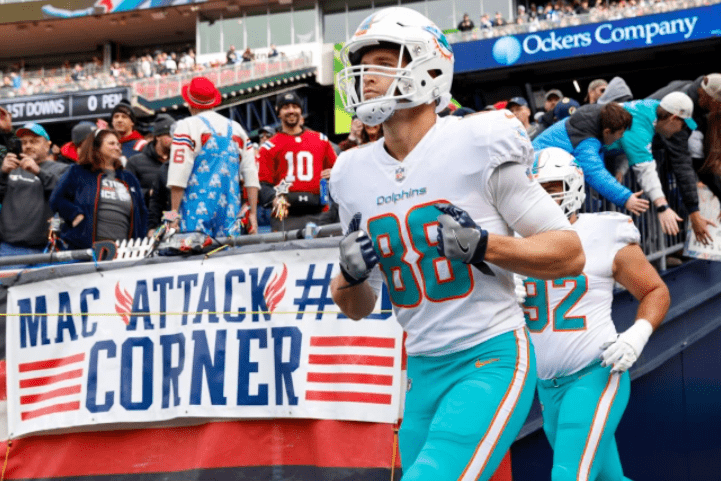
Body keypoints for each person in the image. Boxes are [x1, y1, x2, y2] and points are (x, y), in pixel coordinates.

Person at [331, 8, 585, 480]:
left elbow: (568, 252)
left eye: (384, 60)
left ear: (429, 69)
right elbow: (357, 307)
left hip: (488, 356)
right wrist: (349, 276)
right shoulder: (351, 172)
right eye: (361, 65)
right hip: (422, 371)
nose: (365, 78)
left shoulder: (477, 140)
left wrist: (484, 245)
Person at [518, 147, 669, 481]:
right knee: (606, 477)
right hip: (548, 386)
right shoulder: (516, 241)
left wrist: (637, 335)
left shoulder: (604, 232)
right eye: (536, 188)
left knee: (569, 475)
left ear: (573, 184)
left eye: (553, 186)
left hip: (595, 372)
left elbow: (655, 290)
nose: (545, 196)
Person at [167, 76, 259, 237]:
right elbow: (251, 176)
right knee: (227, 258)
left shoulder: (187, 125)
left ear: (190, 103)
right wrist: (253, 215)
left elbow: (178, 175)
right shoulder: (237, 129)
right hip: (230, 213)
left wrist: (173, 215)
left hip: (194, 212)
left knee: (194, 257)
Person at [532, 102, 649, 215]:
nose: (621, 137)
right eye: (620, 133)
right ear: (607, 132)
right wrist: (625, 198)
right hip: (537, 180)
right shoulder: (585, 141)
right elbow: (594, 171)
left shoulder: (593, 121)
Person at [611, 92, 701, 235]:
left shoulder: (651, 109)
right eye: (683, 126)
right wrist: (662, 207)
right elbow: (646, 169)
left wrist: (620, 169)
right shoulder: (641, 123)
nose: (681, 131)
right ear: (673, 118)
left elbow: (629, 142)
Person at [647, 73, 721, 245]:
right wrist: (694, 214)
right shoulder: (681, 109)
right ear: (707, 97)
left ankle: (665, 248)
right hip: (633, 151)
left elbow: (700, 161)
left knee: (664, 194)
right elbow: (682, 163)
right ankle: (652, 253)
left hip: (656, 151)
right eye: (719, 104)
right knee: (652, 200)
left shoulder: (696, 98)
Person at [50, 129, 146, 249]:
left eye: (118, 144)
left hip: (123, 252)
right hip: (85, 251)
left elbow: (142, 213)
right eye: (111, 144)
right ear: (96, 146)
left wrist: (140, 243)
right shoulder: (78, 171)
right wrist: (74, 215)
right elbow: (57, 199)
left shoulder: (129, 178)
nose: (117, 147)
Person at [257, 91, 337, 232]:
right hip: (285, 214)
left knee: (323, 252)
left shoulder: (320, 140)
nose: (291, 111)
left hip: (319, 211)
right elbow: (263, 185)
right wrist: (273, 199)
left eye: (295, 106)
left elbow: (338, 171)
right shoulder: (269, 147)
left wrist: (334, 173)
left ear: (301, 110)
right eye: (286, 107)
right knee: (284, 252)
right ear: (278, 112)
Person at [0, 123, 69, 257]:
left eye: (34, 141)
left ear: (48, 144)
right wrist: (2, 174)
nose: (28, 146)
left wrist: (38, 172)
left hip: (45, 249)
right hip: (9, 248)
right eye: (24, 142)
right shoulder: (11, 169)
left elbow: (65, 193)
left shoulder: (62, 169)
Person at [126, 113, 174, 209]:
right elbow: (126, 191)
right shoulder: (135, 162)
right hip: (146, 218)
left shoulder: (178, 161)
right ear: (158, 136)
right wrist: (149, 193)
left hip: (170, 216)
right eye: (169, 135)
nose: (173, 139)